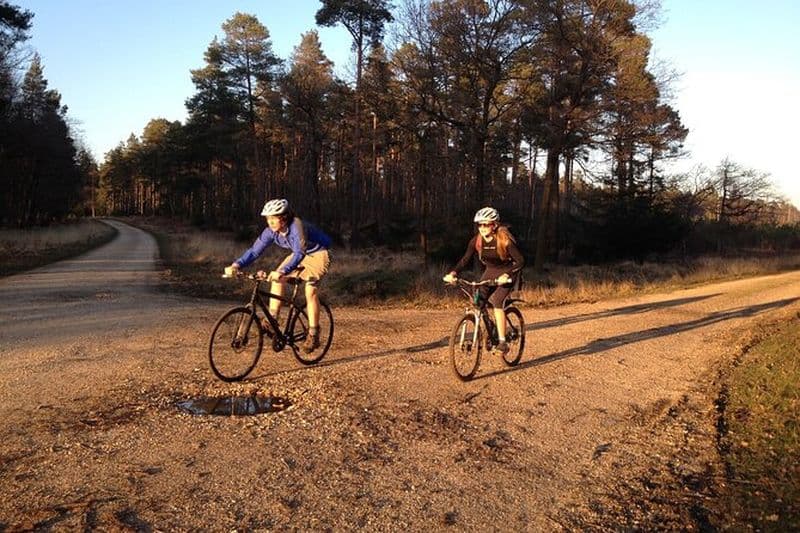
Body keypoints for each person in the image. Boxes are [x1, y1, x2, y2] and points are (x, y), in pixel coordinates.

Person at [227, 198, 332, 353]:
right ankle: (273, 320)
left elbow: (299, 252)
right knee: (275, 279)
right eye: (268, 219)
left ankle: (313, 333)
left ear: (283, 218)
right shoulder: (270, 232)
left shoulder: (296, 226)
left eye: (273, 218)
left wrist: (283, 271)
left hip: (319, 253)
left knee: (310, 290)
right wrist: (237, 264)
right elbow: (255, 251)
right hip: (298, 254)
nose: (270, 222)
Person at [443, 207, 524, 355]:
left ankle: (502, 342)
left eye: (486, 224)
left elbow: (520, 261)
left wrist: (507, 275)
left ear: (494, 225)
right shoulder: (477, 240)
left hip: (507, 272)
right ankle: (491, 328)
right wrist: (453, 273)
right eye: (480, 225)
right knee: (478, 301)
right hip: (490, 271)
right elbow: (465, 259)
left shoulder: (504, 240)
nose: (482, 228)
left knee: (498, 301)